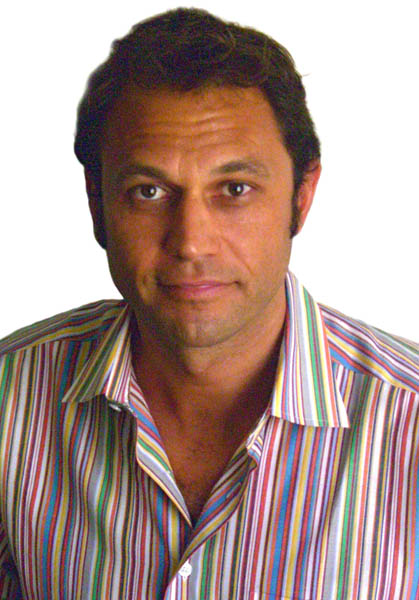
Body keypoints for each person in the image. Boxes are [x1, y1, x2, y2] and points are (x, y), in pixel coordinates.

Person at [0, 8, 418, 599]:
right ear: (97, 206)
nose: (191, 241)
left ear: (302, 197)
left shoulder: (409, 423)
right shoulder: (11, 397)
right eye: (148, 191)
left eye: (235, 189)